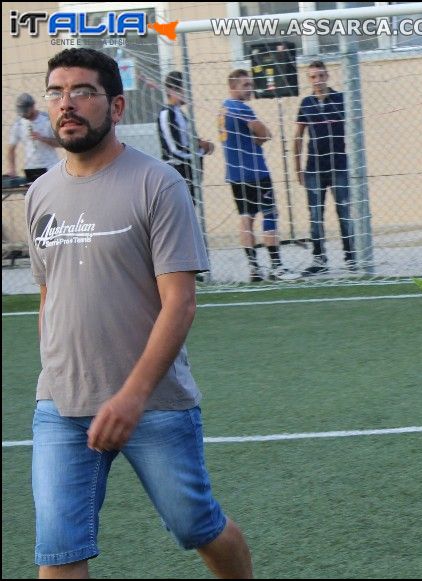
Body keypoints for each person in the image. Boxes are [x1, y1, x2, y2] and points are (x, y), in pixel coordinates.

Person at [25, 47, 252, 578]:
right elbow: (47, 295)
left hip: (153, 404)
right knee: (59, 550)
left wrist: (131, 395)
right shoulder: (39, 194)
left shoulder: (158, 183)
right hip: (60, 404)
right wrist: (56, 374)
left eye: (83, 91)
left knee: (196, 525)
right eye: (57, 92)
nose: (67, 103)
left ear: (118, 107)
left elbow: (181, 301)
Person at [220, 69, 299, 282]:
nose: (250, 88)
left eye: (250, 84)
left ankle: (254, 268)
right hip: (255, 172)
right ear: (233, 87)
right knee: (270, 214)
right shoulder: (240, 108)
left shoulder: (223, 109)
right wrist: (260, 139)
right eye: (245, 85)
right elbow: (264, 132)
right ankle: (277, 267)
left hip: (235, 175)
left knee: (246, 219)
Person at [293, 60, 355, 276]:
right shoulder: (306, 103)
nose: (317, 80)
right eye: (312, 77)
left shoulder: (340, 99)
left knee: (344, 212)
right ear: (308, 79)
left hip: (339, 166)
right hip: (314, 169)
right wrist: (297, 167)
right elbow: (298, 137)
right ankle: (320, 260)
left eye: (320, 76)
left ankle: (351, 258)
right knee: (315, 216)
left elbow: (355, 129)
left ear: (327, 76)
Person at [159, 71, 214, 204]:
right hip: (177, 173)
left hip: (190, 172)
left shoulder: (181, 114)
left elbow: (189, 141)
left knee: (192, 213)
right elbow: (175, 149)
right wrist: (199, 151)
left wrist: (202, 144)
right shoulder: (167, 114)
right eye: (186, 89)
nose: (189, 93)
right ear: (173, 90)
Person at [5, 93, 61, 182]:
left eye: (26, 111)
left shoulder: (47, 119)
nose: (23, 114)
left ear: (32, 106)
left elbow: (60, 143)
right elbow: (11, 148)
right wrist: (11, 168)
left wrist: (43, 138)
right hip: (31, 168)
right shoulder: (18, 123)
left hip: (50, 166)